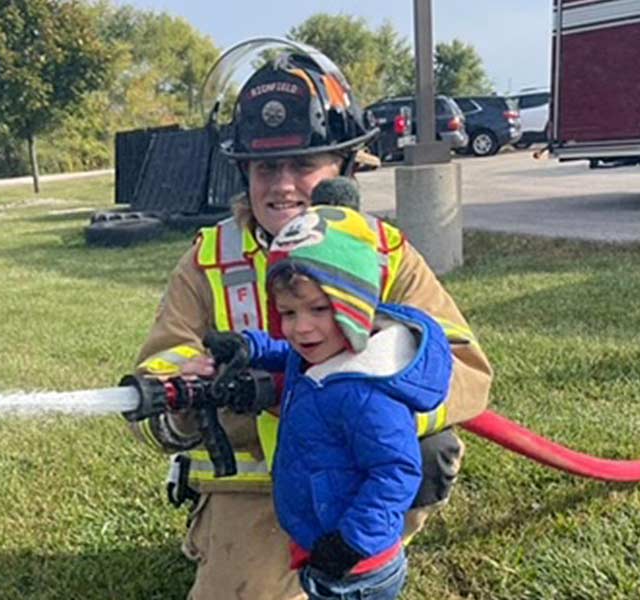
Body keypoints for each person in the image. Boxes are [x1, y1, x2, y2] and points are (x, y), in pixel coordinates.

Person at [129, 38, 493, 600]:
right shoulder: (209, 260)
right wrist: (186, 396)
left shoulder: (381, 253)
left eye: (303, 165)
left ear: (343, 167)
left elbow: (466, 367)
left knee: (429, 450)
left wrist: (354, 400)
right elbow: (161, 366)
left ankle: (367, 551)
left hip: (353, 480)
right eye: (265, 166)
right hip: (250, 491)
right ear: (244, 172)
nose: (281, 185)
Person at [205, 206, 454, 599]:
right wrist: (248, 346)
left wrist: (352, 542)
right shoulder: (319, 351)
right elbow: (285, 349)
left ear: (354, 307)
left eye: (319, 309)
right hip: (318, 542)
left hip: (357, 567)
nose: (301, 327)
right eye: (288, 312)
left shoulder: (366, 393)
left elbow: (396, 471)